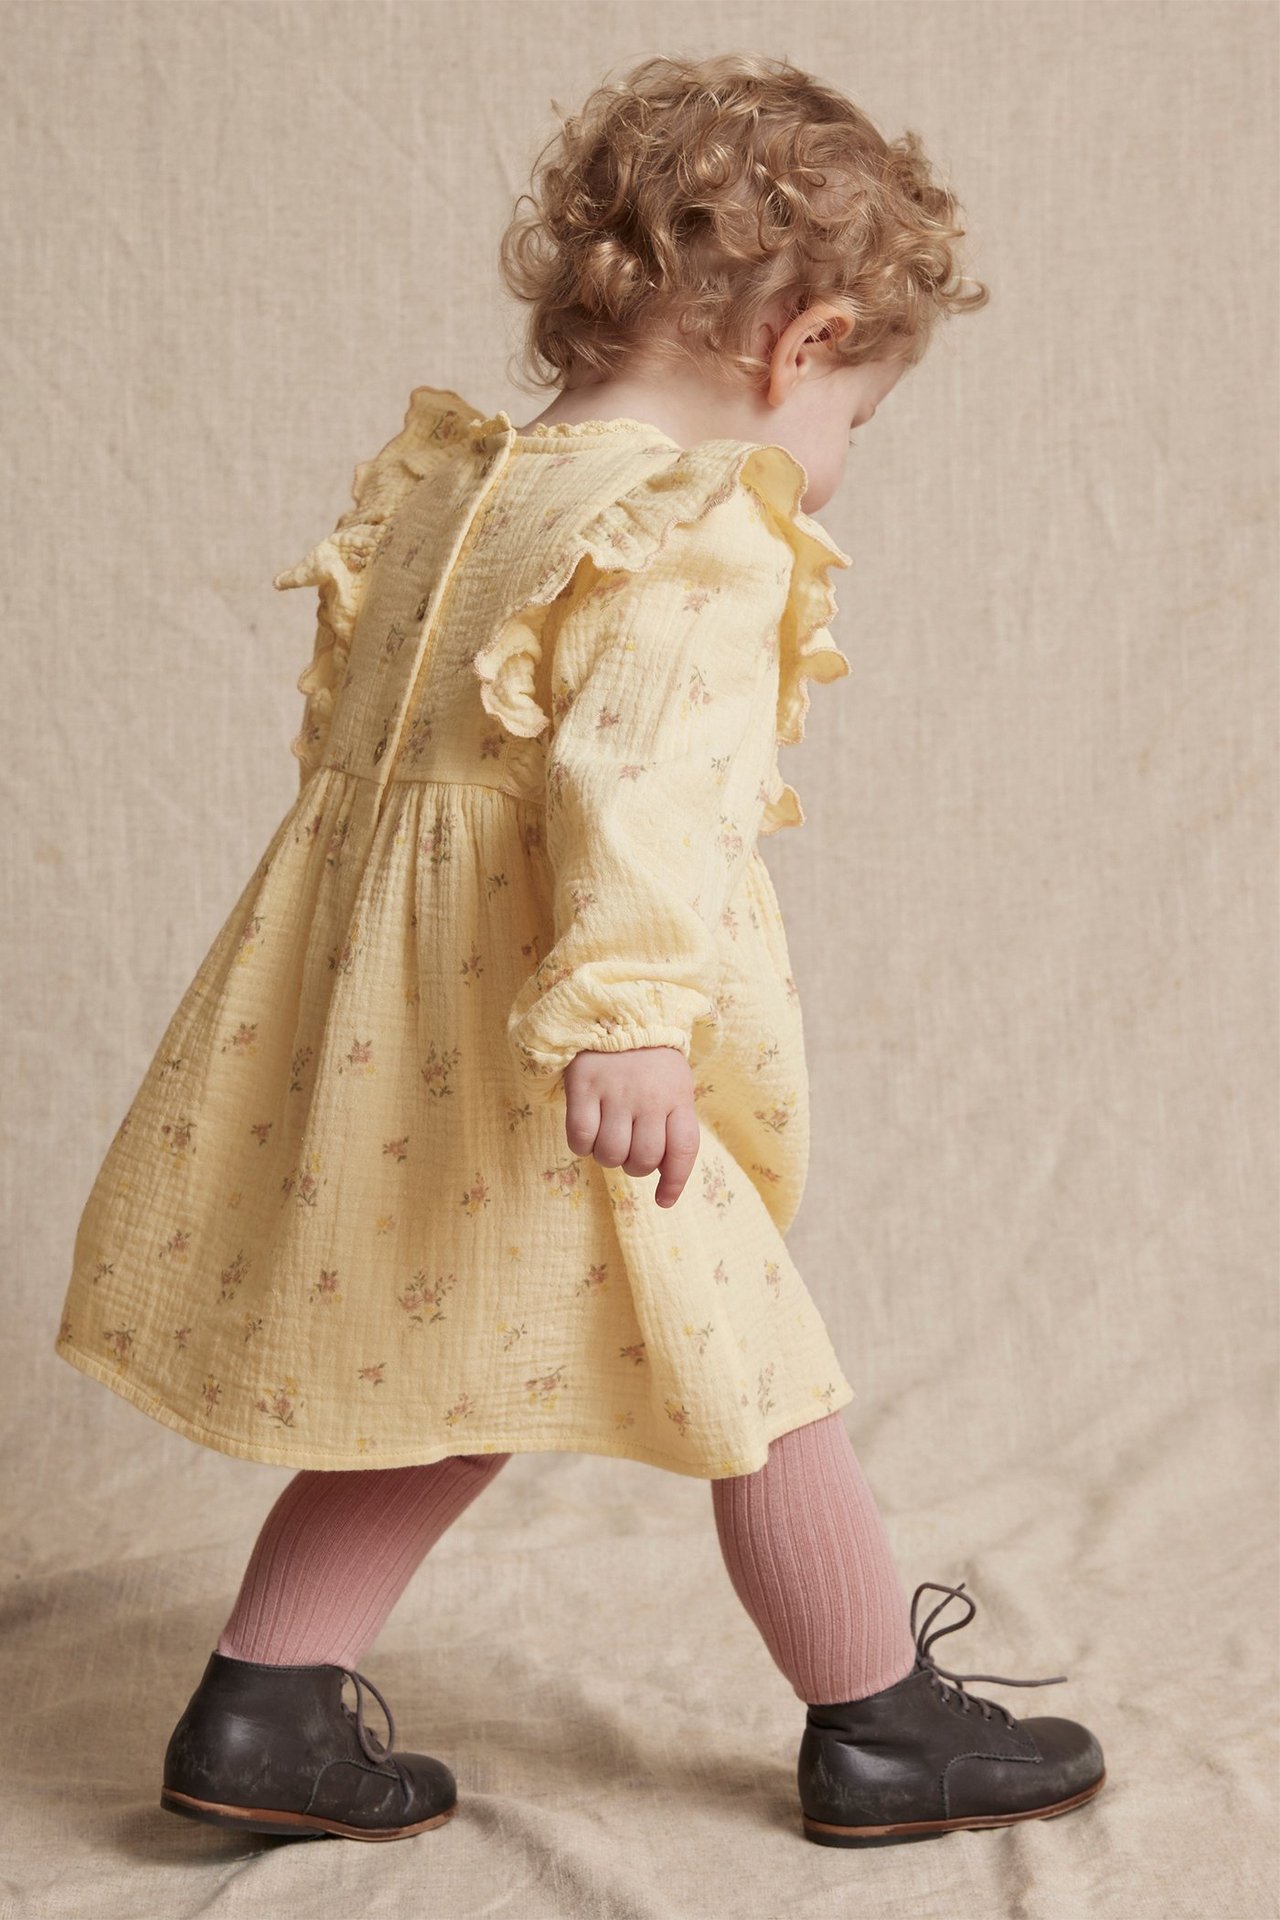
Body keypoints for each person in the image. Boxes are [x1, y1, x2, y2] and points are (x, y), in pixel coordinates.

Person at [54, 50, 1106, 1848]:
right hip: (584, 1056)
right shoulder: (702, 529)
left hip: (414, 1054)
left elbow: (383, 788)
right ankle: (878, 1724)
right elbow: (639, 788)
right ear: (804, 344)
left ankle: (264, 1707)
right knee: (757, 1372)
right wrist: (624, 1024)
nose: (834, 469)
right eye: (855, 417)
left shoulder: (468, 496)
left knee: (443, 1374)